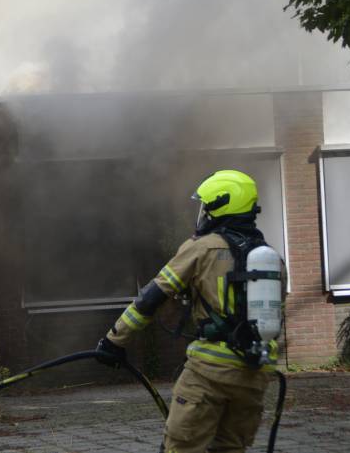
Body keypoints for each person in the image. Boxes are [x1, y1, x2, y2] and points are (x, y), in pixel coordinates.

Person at [96, 169, 286, 453]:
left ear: (221, 206)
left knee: (181, 448)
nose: (204, 213)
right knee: (231, 448)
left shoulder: (201, 248)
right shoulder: (271, 258)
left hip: (209, 373)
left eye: (207, 206)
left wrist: (113, 340)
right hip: (254, 375)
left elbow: (152, 297)